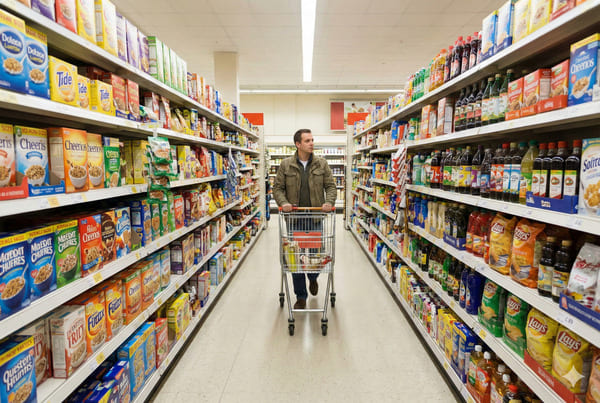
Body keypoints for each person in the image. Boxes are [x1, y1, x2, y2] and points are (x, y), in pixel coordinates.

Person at [273, 129, 336, 309]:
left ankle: (313, 278)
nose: (311, 143)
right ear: (298, 144)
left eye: (312, 140)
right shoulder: (286, 165)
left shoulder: (322, 164)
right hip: (294, 219)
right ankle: (301, 296)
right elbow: (277, 188)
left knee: (315, 257)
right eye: (307, 140)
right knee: (295, 259)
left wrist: (329, 202)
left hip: (315, 218)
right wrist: (283, 202)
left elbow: (331, 186)